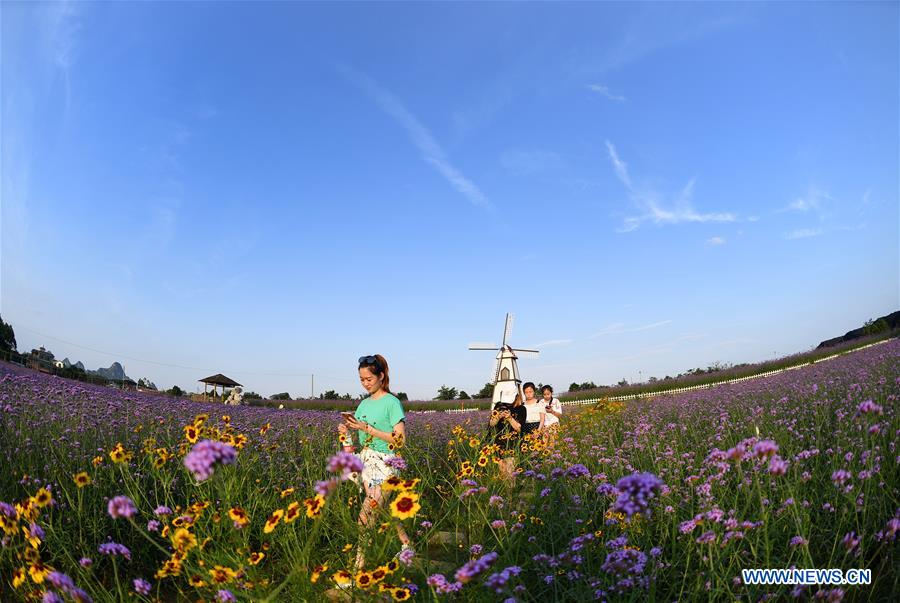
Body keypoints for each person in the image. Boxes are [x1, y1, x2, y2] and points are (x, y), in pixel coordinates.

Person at [337, 354, 413, 570]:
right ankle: (407, 544)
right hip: (367, 461)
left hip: (387, 463)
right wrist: (346, 432)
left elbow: (400, 440)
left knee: (365, 515)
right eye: (361, 379)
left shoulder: (392, 402)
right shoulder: (363, 405)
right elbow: (353, 444)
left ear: (381, 376)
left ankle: (357, 568)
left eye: (369, 379)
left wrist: (367, 429)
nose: (365, 383)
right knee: (383, 509)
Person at [489, 388, 526, 482]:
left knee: (510, 471)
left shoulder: (521, 409)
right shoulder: (499, 405)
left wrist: (509, 418)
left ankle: (511, 493)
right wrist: (498, 417)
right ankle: (504, 493)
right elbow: (491, 424)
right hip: (498, 443)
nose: (507, 404)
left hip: (512, 443)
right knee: (502, 470)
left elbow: (519, 428)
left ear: (517, 397)